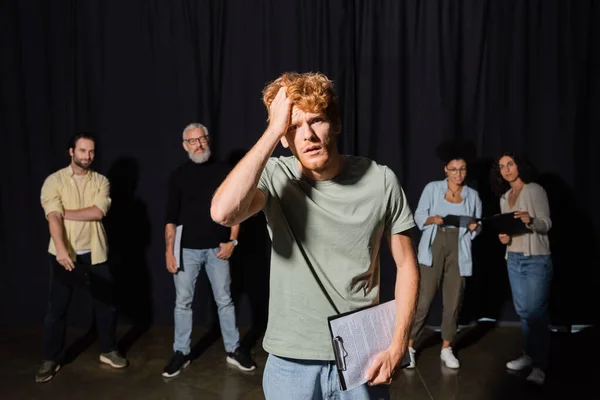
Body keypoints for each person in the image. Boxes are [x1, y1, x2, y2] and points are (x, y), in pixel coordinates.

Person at [210, 72, 419, 399]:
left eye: (316, 120)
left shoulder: (381, 181)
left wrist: (397, 344)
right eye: (293, 127)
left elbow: (407, 266)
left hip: (361, 353)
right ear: (283, 135)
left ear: (334, 123)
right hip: (291, 358)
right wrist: (272, 130)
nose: (307, 135)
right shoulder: (276, 176)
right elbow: (223, 212)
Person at [162, 123, 256, 378]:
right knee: (183, 303)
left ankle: (233, 349)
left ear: (208, 141)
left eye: (202, 139)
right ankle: (181, 353)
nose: (199, 144)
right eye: (193, 141)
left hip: (217, 249)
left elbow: (238, 208)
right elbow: (171, 217)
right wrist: (170, 251)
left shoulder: (225, 171)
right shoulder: (179, 175)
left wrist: (233, 241)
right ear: (185, 146)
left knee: (225, 301)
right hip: (186, 250)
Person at [36, 133, 128, 383]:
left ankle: (108, 351)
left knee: (106, 306)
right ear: (71, 152)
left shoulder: (101, 181)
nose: (87, 156)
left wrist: (62, 211)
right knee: (57, 309)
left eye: (91, 152)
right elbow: (52, 217)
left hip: (95, 254)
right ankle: (51, 358)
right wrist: (62, 249)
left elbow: (98, 212)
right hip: (64, 253)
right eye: (83, 151)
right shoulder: (53, 181)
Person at [408, 155, 482, 369]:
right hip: (435, 244)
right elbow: (419, 215)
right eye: (453, 169)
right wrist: (432, 219)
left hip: (459, 247)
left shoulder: (473, 196)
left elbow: (478, 224)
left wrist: (475, 229)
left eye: (462, 169)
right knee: (423, 300)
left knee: (453, 300)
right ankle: (410, 347)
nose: (458, 174)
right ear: (446, 170)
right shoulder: (432, 189)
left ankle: (446, 348)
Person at [491, 152, 552, 386]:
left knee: (536, 312)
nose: (506, 170)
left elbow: (546, 224)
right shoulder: (505, 196)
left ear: (519, 166)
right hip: (513, 258)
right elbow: (509, 229)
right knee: (524, 311)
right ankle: (529, 355)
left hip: (536, 258)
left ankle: (540, 365)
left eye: (510, 164)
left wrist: (531, 220)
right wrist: (505, 238)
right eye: (502, 167)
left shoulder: (534, 190)